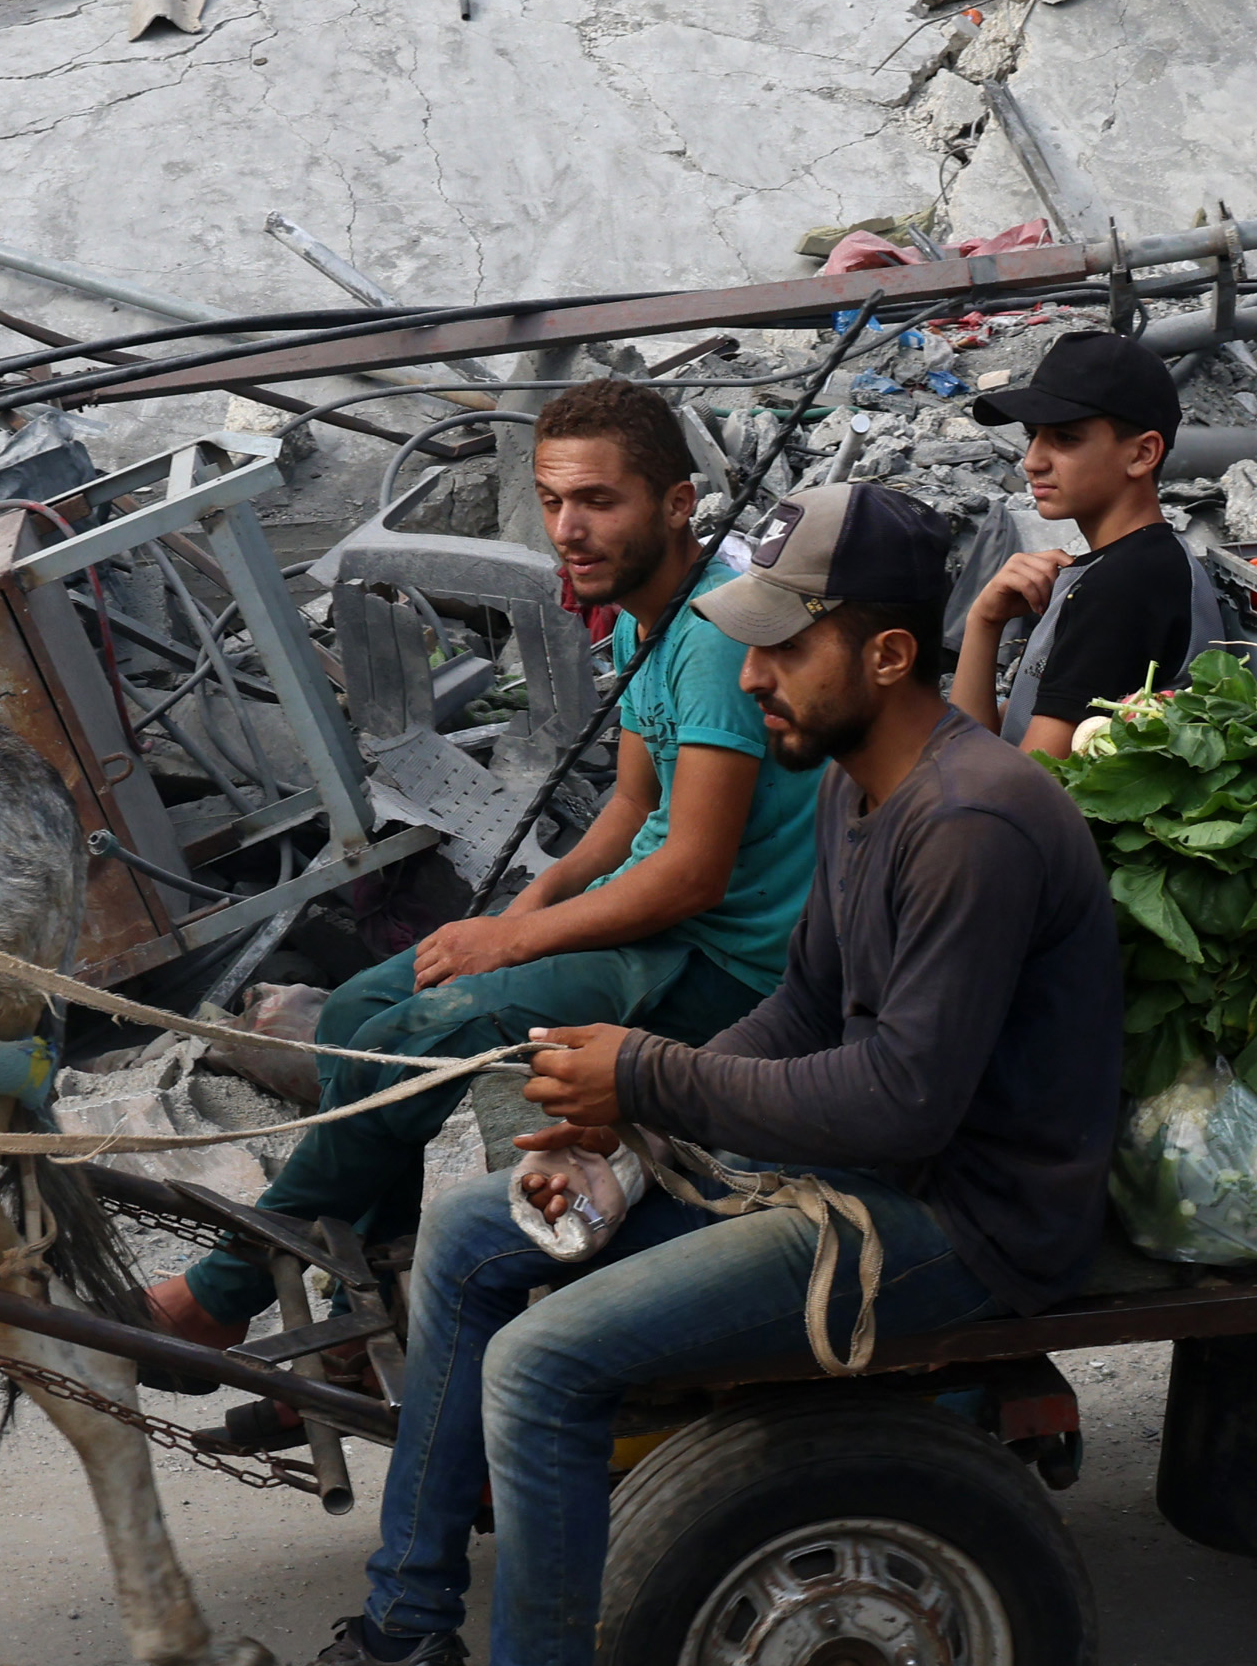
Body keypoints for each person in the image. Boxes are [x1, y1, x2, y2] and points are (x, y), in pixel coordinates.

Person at [221, 481, 1127, 1666]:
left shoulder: (974, 823)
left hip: (958, 1223)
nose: (754, 676)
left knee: (545, 1363)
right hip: (863, 1175)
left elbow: (901, 1103)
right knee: (472, 1235)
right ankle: (407, 1632)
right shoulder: (862, 786)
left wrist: (646, 1073)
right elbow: (801, 1015)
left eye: (784, 648)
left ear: (889, 655)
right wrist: (633, 1127)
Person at [139, 378, 818, 1366]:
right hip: (659, 926)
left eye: (598, 500)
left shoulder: (713, 637)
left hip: (722, 962)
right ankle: (372, 1290)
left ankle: (225, 1290)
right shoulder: (645, 617)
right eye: (552, 500)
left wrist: (513, 940)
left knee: (418, 1032)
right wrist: (518, 912)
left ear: (678, 504)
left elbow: (691, 876)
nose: (567, 529)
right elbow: (633, 805)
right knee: (362, 1009)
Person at [947, 325, 1208, 759]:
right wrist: (984, 621)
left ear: (1142, 454)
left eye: (1065, 438)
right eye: (1032, 435)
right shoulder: (1129, 563)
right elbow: (981, 748)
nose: (1032, 461)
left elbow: (1022, 781)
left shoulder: (1125, 585)